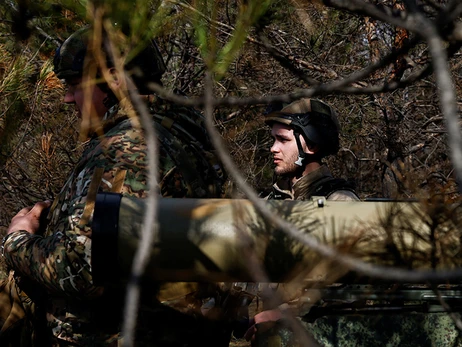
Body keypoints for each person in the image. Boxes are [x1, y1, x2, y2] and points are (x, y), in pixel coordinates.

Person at [0, 25, 235, 346]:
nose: (68, 97)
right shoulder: (183, 138)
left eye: (74, 83)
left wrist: (18, 238)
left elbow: (84, 271)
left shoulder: (128, 149)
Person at [246, 98, 461, 346]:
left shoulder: (339, 203)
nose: (273, 148)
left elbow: (344, 290)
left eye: (282, 140)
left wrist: (281, 314)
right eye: (273, 140)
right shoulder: (268, 200)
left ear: (312, 145)